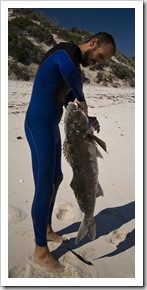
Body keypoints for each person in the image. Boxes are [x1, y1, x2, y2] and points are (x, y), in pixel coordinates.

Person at [24, 32, 116, 271]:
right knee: (44, 186)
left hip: (51, 126)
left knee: (57, 178)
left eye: (102, 62)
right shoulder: (65, 52)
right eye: (100, 57)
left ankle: (45, 228)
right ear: (93, 43)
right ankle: (40, 251)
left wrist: (89, 117)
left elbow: (68, 99)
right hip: (38, 124)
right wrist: (82, 99)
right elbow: (68, 73)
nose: (99, 62)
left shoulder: (74, 68)